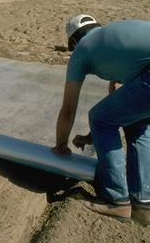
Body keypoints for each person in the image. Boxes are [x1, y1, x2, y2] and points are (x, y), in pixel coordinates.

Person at [52, 14, 150, 225]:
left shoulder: (82, 50)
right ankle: (143, 203)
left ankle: (117, 201)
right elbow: (118, 99)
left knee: (98, 118)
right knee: (138, 125)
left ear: (74, 42)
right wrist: (91, 136)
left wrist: (61, 145)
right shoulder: (113, 39)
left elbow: (68, 109)